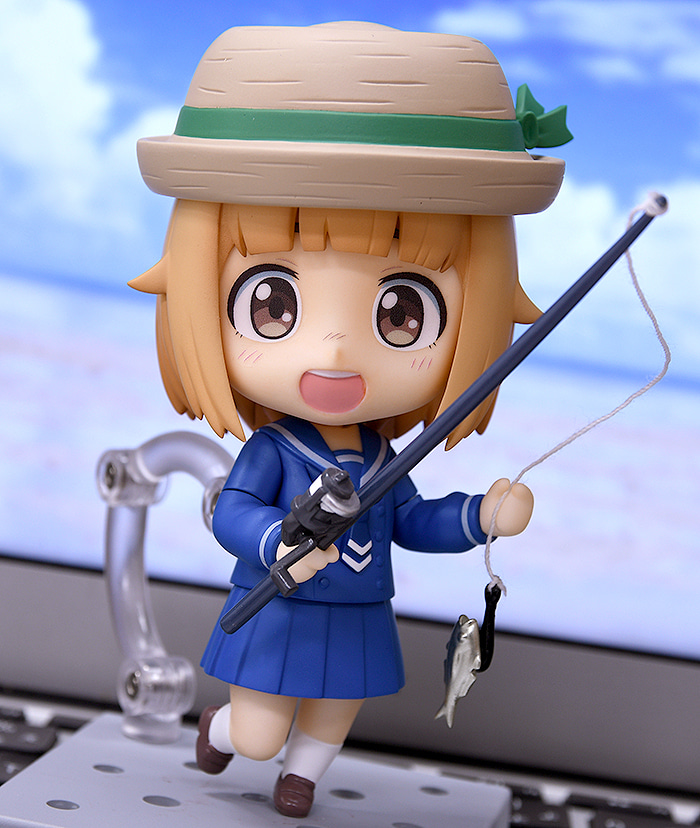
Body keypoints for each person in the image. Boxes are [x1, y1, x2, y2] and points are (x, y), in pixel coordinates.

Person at [131, 22, 570, 817]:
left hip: (358, 614)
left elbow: (414, 521)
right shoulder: (277, 447)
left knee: (334, 712)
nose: (335, 348)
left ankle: (303, 776)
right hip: (278, 602)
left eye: (402, 313)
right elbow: (231, 509)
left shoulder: (383, 458)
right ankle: (223, 731)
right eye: (273, 304)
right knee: (257, 733)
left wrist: (482, 515)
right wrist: (277, 542)